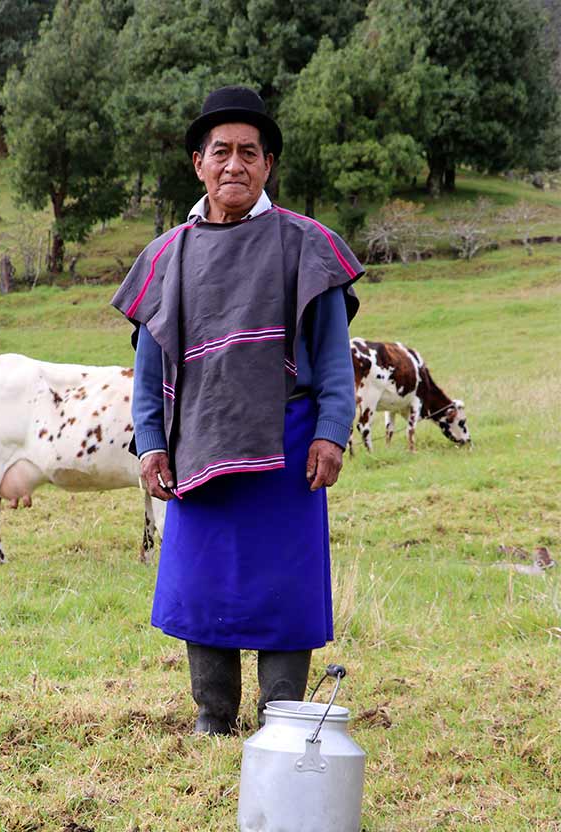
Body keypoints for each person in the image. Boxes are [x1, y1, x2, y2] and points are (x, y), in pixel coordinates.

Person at [111, 85, 363, 735]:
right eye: (219, 150)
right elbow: (149, 368)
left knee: (287, 584)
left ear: (269, 165)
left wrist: (332, 433)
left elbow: (334, 359)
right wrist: (149, 443)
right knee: (204, 585)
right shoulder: (167, 256)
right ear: (197, 162)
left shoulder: (307, 246)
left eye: (249, 152)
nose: (234, 165)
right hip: (195, 439)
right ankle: (213, 714)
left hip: (290, 443)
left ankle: (281, 716)